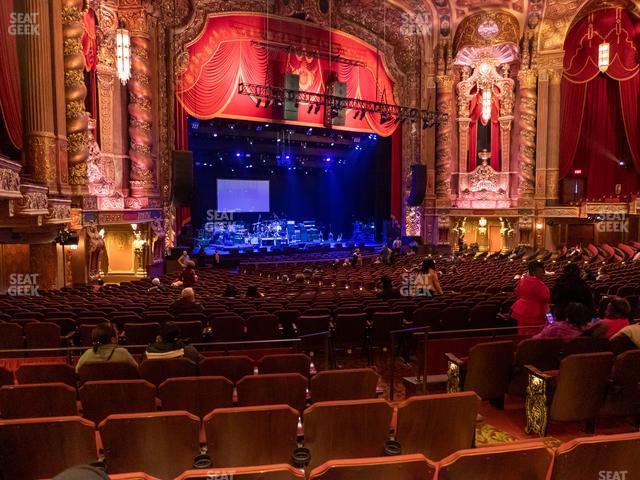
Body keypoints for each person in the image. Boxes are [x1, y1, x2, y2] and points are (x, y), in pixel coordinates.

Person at [511, 260, 550, 334]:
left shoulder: (523, 281)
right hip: (537, 313)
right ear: (534, 272)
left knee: (522, 333)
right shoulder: (540, 285)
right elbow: (546, 305)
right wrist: (551, 321)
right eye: (541, 271)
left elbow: (517, 293)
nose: (543, 274)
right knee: (535, 334)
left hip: (522, 311)